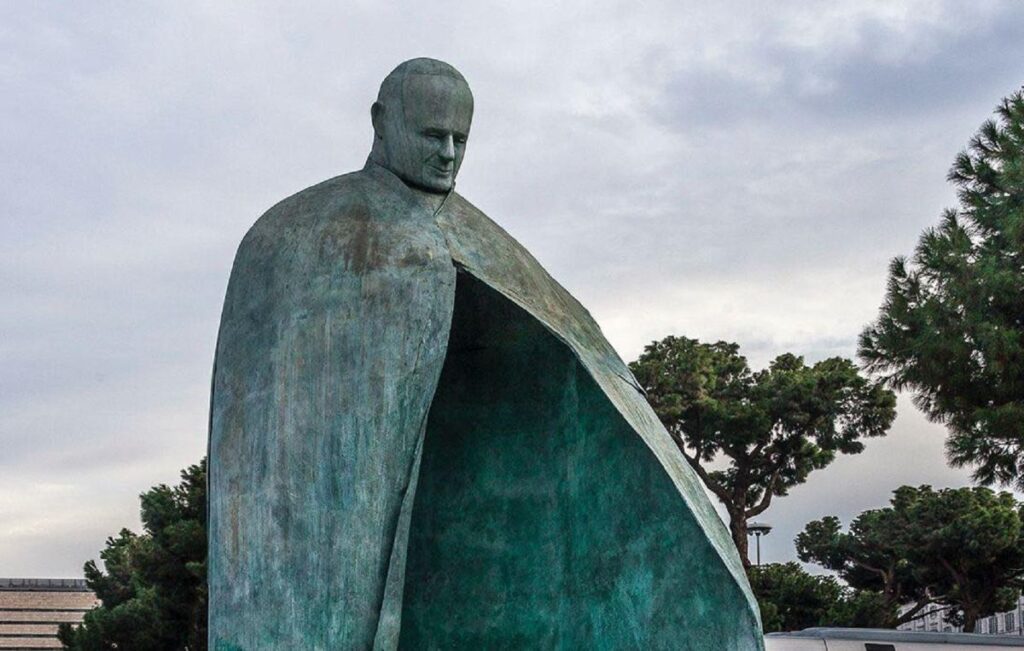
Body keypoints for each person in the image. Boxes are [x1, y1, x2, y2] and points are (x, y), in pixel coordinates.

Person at [209, 58, 763, 650]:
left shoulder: (499, 256)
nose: (448, 154)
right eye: (432, 136)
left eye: (460, 139)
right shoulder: (294, 233)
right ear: (380, 121)